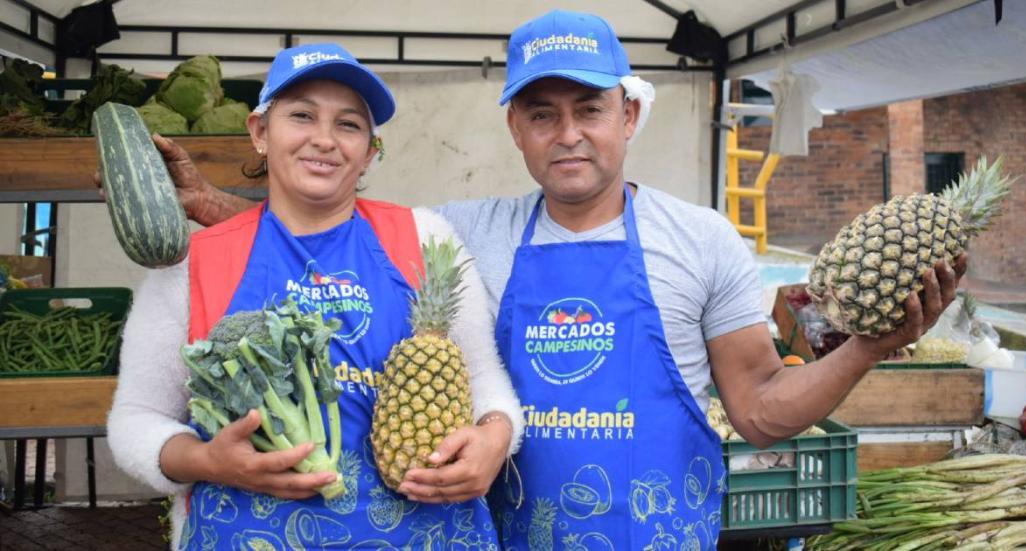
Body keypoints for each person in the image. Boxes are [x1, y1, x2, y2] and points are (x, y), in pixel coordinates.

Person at [144, 11, 964, 549]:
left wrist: (867, 348)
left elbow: (759, 411)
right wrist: (214, 205)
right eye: (542, 113)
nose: (568, 134)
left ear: (629, 115)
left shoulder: (701, 237)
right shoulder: (466, 232)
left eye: (589, 109)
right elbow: (338, 234)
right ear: (516, 127)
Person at [106, 43, 524, 550]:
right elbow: (136, 418)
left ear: (370, 151)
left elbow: (481, 376)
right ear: (260, 132)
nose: (324, 140)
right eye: (302, 116)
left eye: (348, 125)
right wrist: (204, 460)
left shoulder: (425, 239)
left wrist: (496, 437)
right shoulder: (195, 262)